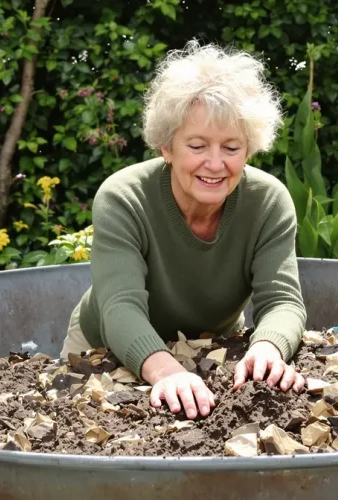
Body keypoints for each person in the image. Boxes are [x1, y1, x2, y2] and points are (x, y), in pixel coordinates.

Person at [59, 40, 307, 419]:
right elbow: (119, 307)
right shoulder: (123, 197)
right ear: (166, 147)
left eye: (231, 148)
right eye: (197, 145)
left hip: (212, 345)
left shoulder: (268, 202)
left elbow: (283, 301)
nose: (215, 163)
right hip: (106, 346)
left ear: (249, 150)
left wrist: (267, 349)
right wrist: (166, 371)